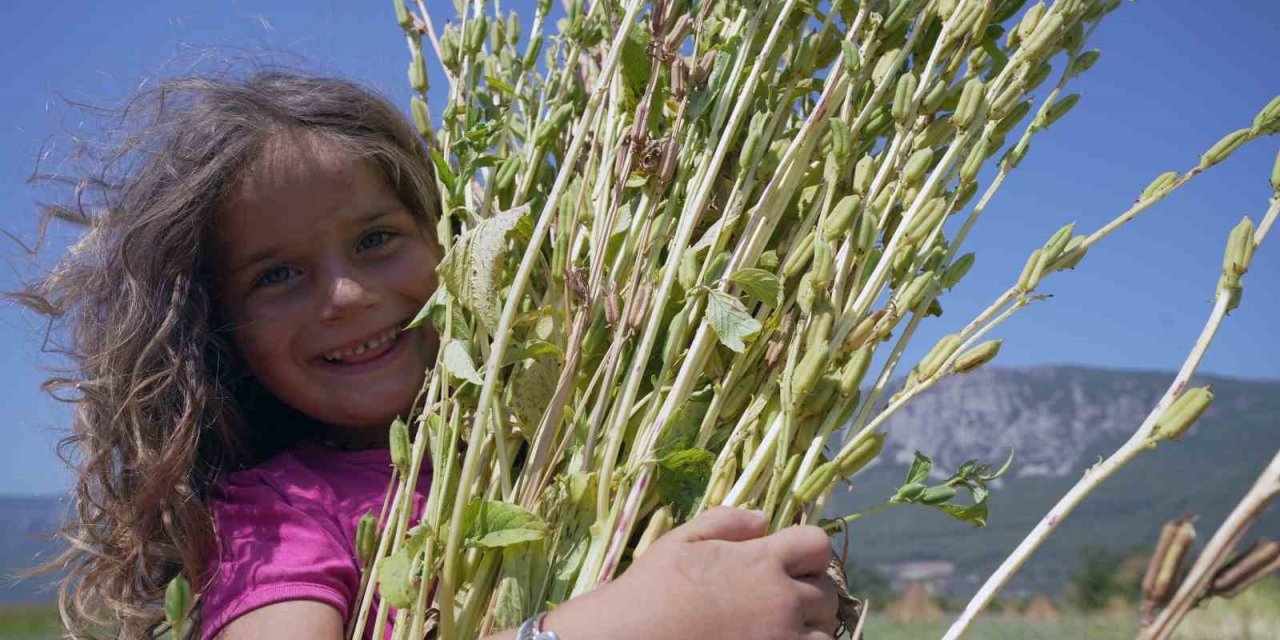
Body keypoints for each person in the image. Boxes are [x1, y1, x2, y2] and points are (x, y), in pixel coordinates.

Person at [19, 71, 841, 640]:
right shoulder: (282, 516)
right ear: (219, 329)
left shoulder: (579, 431)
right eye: (277, 275)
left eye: (377, 240)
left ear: (454, 240)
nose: (346, 296)